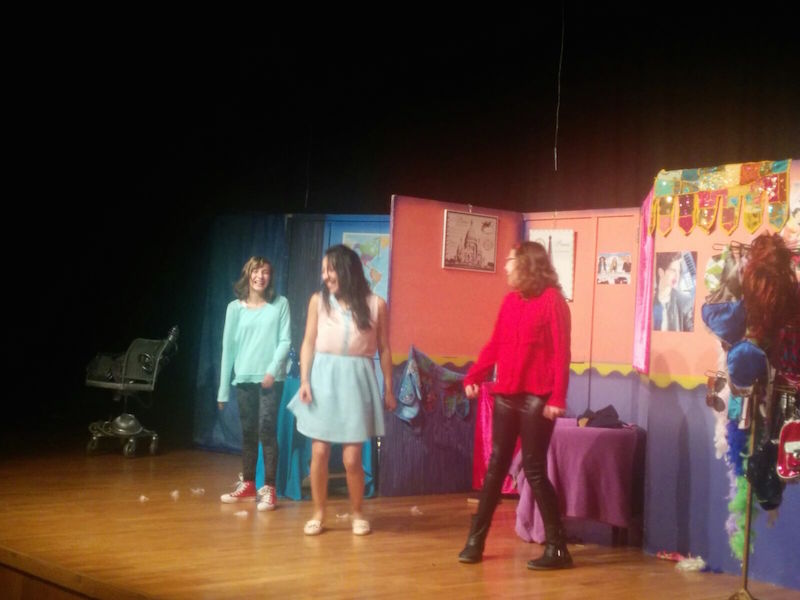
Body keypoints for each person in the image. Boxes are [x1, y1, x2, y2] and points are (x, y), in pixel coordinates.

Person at [459, 241, 573, 570]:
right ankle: (475, 541)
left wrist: (558, 398)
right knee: (496, 467)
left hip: (539, 397)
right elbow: (495, 343)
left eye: (510, 260)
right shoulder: (510, 301)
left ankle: (558, 548)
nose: (506, 266)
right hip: (507, 394)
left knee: (534, 469)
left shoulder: (553, 301)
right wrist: (474, 375)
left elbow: (562, 353)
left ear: (527, 264)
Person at [288, 244, 396, 536]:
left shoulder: (376, 304)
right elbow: (308, 341)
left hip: (357, 382)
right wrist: (305, 380)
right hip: (323, 379)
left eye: (330, 269)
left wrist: (388, 387)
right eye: (323, 270)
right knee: (319, 452)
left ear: (347, 270)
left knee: (352, 458)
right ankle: (319, 513)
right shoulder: (318, 302)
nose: (325, 276)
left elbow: (385, 348)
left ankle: (358, 513)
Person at [218, 256, 291, 511]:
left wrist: (272, 371)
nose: (261, 276)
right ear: (248, 275)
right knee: (249, 433)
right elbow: (228, 349)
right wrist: (223, 390)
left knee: (266, 431)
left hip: (271, 380)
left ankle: (269, 489)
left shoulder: (280, 304)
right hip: (244, 379)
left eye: (266, 272)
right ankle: (248, 485)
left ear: (271, 277)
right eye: (256, 271)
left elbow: (285, 341)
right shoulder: (234, 308)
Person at [653, 251, 694, 331]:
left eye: (678, 271)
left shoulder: (685, 302)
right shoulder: (649, 300)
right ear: (661, 272)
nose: (677, 275)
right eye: (673, 270)